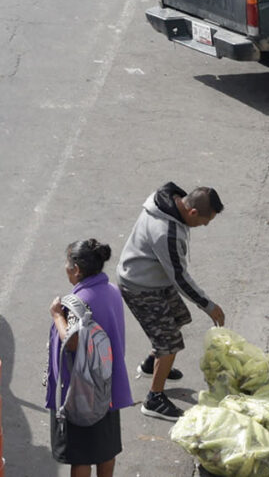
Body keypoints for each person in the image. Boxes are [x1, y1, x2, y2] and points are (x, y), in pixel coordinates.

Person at [117, 183, 226, 421]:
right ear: (193, 213)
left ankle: (151, 364)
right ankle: (154, 398)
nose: (204, 226)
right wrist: (209, 306)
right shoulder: (167, 233)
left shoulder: (168, 199)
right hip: (141, 286)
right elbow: (180, 278)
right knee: (170, 342)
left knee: (177, 318)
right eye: (205, 222)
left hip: (154, 277)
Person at [49, 237, 132, 476]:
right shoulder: (113, 291)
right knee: (105, 451)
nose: (65, 268)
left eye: (67, 263)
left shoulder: (78, 303)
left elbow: (73, 342)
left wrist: (57, 316)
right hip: (109, 385)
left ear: (76, 269)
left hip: (82, 390)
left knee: (82, 455)